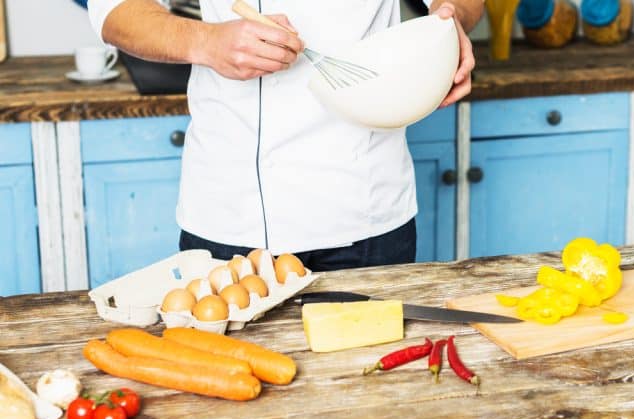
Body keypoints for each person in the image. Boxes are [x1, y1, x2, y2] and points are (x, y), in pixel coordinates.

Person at [88, 0, 484, 271]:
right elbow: (115, 11)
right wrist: (205, 42)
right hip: (229, 216)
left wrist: (450, 25)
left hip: (366, 212)